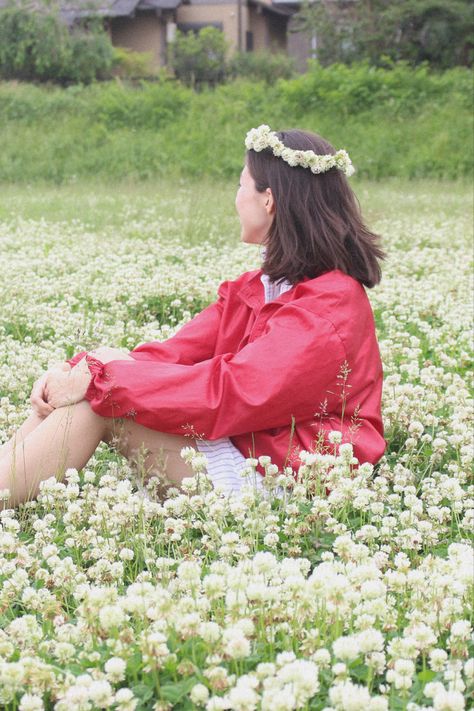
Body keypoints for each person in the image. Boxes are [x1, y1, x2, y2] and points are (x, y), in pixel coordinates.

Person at [0, 125, 386, 507]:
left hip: (292, 482)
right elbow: (171, 354)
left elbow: (234, 392)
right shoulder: (255, 289)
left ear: (268, 200)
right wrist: (78, 370)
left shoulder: (329, 305)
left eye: (240, 185)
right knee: (97, 384)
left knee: (100, 401)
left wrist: (98, 381)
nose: (235, 198)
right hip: (246, 447)